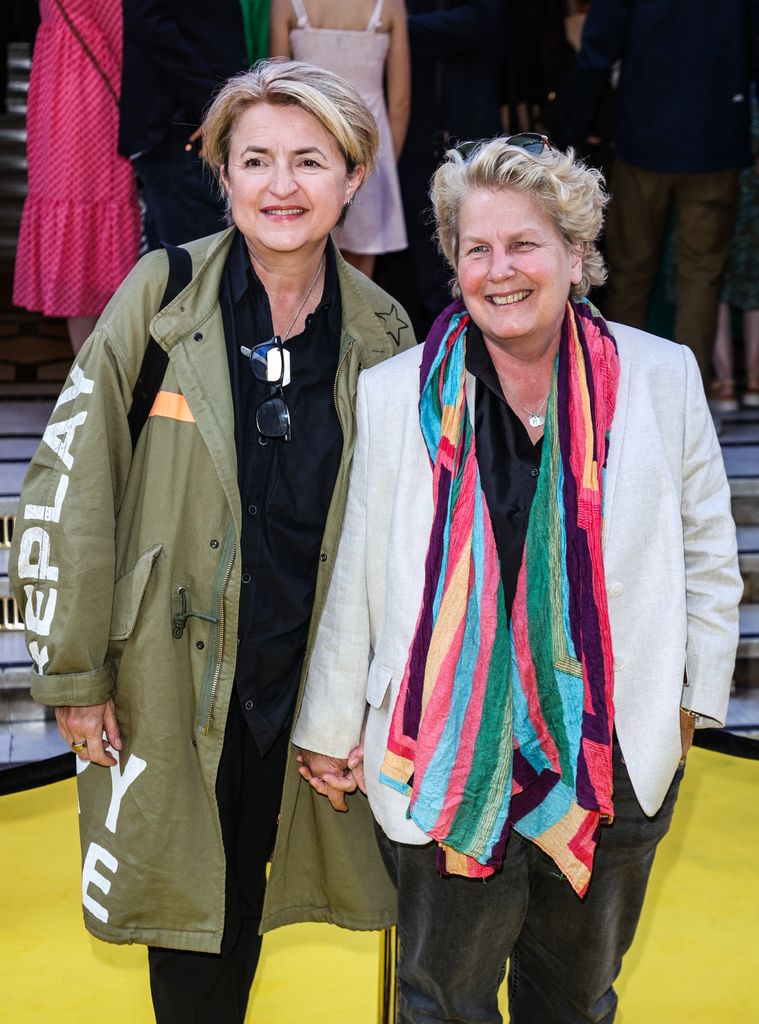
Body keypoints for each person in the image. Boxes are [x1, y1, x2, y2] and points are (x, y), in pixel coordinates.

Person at [280, 137, 742, 1022]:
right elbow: (361, 578)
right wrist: (331, 724)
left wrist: (690, 704)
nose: (500, 271)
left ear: (576, 253)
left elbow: (707, 556)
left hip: (611, 759)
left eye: (524, 244)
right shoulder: (392, 392)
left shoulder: (659, 376)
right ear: (451, 264)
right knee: (441, 1000)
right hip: (441, 761)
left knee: (572, 999)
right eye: (475, 248)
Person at [10, 58, 414, 1024]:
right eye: (256, 161)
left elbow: (412, 536)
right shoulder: (160, 296)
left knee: (322, 899)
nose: (282, 186)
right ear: (219, 175)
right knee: (194, 925)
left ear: (353, 178)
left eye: (310, 161)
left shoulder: (386, 333)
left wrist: (384, 700)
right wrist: (74, 676)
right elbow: (69, 486)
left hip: (312, 682)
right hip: (172, 675)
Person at [563, 0, 758, 386]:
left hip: (644, 139)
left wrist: (571, 125)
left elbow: (598, 52)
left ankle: (620, 392)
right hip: (716, 137)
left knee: (630, 273)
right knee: (700, 275)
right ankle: (687, 400)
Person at [13, 0, 141, 353]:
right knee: (98, 232)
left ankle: (89, 387)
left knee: (85, 238)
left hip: (62, 95)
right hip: (94, 102)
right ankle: (95, 388)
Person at [269, 0, 410, 279]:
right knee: (361, 277)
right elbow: (400, 102)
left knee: (303, 262)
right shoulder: (390, 5)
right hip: (369, 149)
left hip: (306, 149)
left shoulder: (286, 4)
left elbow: (275, 93)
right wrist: (381, 168)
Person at [119, 0, 249, 250]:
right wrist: (213, 103)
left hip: (194, 120)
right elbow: (145, 18)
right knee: (194, 272)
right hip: (181, 125)